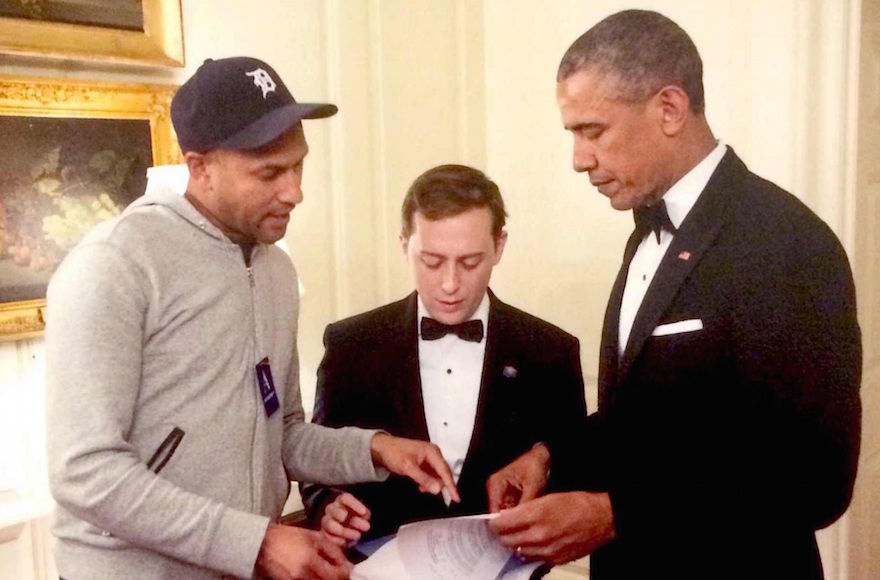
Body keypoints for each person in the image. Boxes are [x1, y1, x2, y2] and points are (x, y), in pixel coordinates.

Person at [45, 56, 460, 580]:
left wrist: (377, 449)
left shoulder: (277, 272)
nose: (295, 191)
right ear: (200, 167)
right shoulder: (114, 267)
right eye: (269, 173)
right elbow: (84, 472)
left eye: (298, 165)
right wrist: (257, 542)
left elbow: (282, 432)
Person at [487, 10, 862, 580]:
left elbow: (815, 475)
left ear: (669, 108)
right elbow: (652, 419)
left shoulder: (787, 242)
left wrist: (616, 515)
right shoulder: (647, 230)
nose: (578, 159)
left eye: (593, 131)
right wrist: (550, 458)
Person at [300, 164, 587, 544]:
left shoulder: (550, 349)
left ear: (499, 246)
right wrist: (327, 507)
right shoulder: (350, 343)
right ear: (404, 245)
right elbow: (314, 461)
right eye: (432, 262)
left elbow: (575, 466)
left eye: (470, 263)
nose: (450, 284)